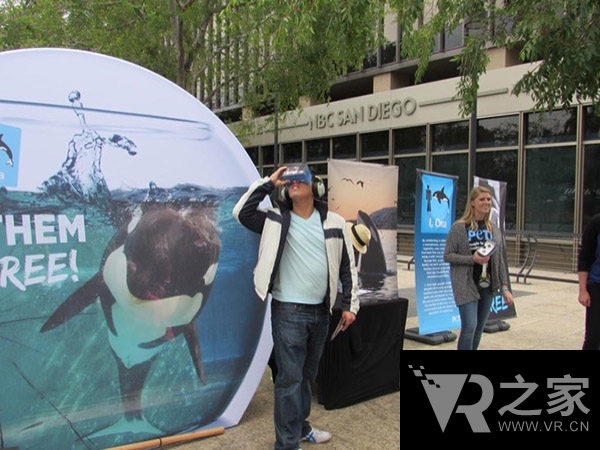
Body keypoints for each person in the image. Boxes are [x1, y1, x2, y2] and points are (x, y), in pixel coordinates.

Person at [232, 164, 359, 450]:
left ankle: (300, 428)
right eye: (289, 182)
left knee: (305, 377)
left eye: (301, 178)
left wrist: (350, 305)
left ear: (317, 187)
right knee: (289, 380)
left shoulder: (336, 223)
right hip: (288, 310)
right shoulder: (276, 218)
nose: (293, 183)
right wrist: (269, 182)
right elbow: (241, 212)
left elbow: (348, 267)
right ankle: (286, 445)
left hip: (320, 312)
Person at [443, 186, 514, 350]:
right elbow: (448, 255)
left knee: (478, 329)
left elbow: (499, 261)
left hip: (487, 286)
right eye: (482, 199)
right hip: (465, 285)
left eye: (488, 199)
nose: (486, 202)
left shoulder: (493, 229)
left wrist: (505, 287)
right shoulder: (459, 228)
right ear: (472, 202)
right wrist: (472, 259)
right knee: (469, 327)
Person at [577, 213, 600, 350]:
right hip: (596, 286)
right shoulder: (596, 223)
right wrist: (583, 290)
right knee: (593, 336)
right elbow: (584, 258)